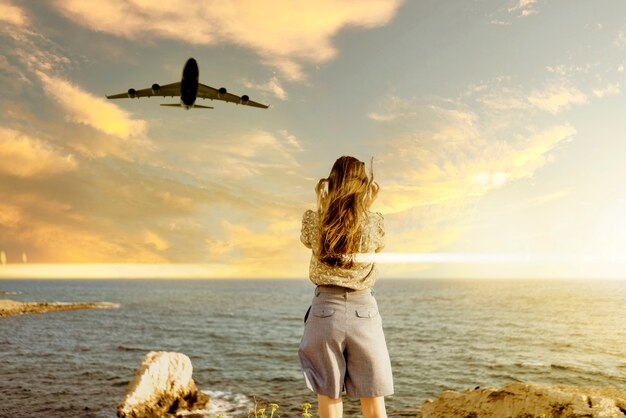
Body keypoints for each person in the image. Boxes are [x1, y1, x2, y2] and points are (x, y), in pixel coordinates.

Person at [298, 156, 393, 418]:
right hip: (364, 311)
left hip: (324, 311)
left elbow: (311, 238)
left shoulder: (314, 220)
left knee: (329, 395)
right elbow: (374, 243)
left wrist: (329, 203)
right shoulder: (374, 221)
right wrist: (367, 205)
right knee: (373, 400)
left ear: (332, 182)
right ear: (363, 186)